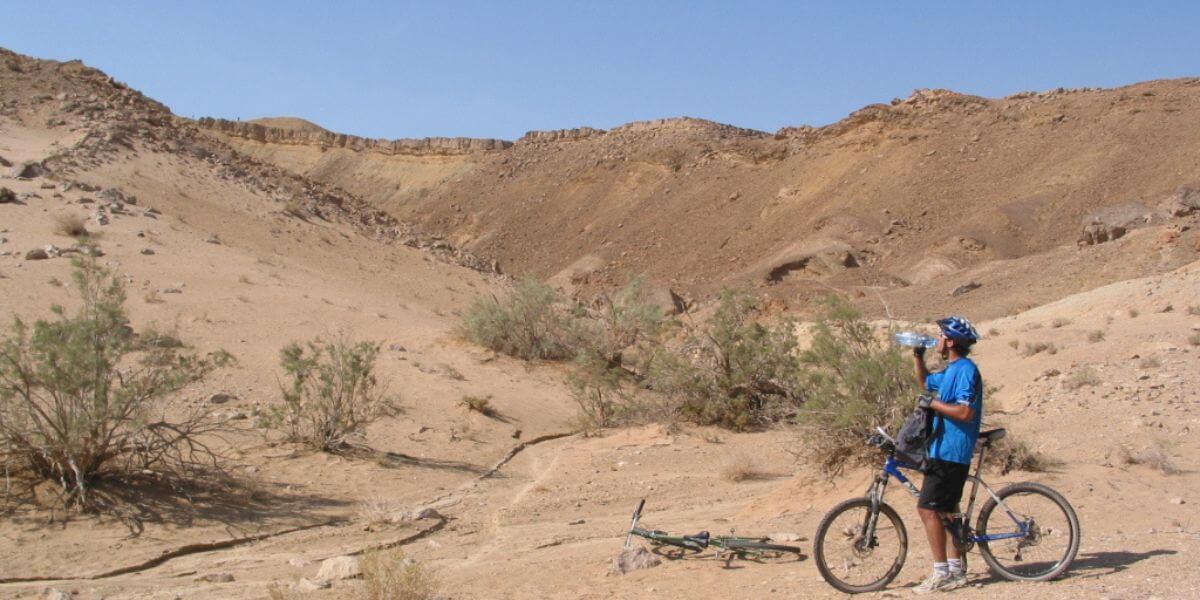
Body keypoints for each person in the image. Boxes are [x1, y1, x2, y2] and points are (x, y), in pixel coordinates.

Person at [910, 316, 982, 594]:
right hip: (944, 447)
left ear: (950, 342)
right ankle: (955, 570)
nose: (937, 340)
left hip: (952, 449)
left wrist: (934, 404)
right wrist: (918, 355)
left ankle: (941, 572)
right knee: (948, 512)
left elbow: (965, 412)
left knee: (927, 509)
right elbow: (926, 383)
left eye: (940, 336)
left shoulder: (965, 370)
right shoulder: (953, 369)